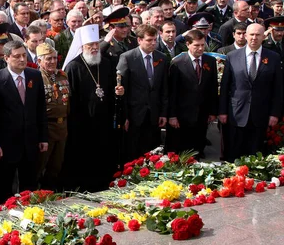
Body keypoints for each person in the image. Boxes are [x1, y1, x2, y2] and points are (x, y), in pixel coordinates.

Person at [61, 25, 123, 191]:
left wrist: (118, 91)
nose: (95, 48)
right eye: (91, 46)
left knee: (104, 154)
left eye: (96, 44)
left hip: (104, 121)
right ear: (82, 46)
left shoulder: (107, 63)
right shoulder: (73, 67)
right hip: (83, 123)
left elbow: (110, 89)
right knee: (85, 156)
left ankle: (104, 183)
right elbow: (70, 98)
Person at [0, 41, 48, 206]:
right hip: (6, 145)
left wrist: (43, 137)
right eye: (17, 56)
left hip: (30, 142)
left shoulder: (34, 75)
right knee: (4, 186)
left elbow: (40, 108)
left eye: (24, 55)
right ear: (6, 58)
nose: (22, 59)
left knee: (29, 187)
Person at [219, 23, 283, 161]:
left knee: (255, 155)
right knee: (233, 155)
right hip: (236, 114)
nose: (254, 38)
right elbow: (225, 86)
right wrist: (223, 111)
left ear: (263, 37)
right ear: (246, 36)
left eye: (258, 35)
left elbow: (278, 88)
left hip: (260, 114)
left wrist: (274, 113)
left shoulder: (273, 57)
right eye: (251, 34)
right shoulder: (232, 56)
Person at [116, 25, 169, 163]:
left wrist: (163, 113)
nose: (153, 43)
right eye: (149, 40)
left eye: (155, 40)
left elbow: (164, 88)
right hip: (135, 114)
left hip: (154, 113)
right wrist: (125, 116)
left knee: (152, 150)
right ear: (139, 40)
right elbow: (123, 89)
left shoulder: (161, 58)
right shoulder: (127, 58)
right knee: (133, 151)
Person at [167, 30, 218, 157]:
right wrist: (172, 115)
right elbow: (172, 92)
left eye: (202, 45)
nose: (200, 48)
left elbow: (212, 87)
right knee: (183, 150)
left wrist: (212, 111)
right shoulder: (177, 63)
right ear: (188, 44)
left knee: (198, 148)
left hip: (202, 113)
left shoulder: (210, 61)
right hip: (182, 115)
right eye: (196, 45)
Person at [35, 43, 69, 190]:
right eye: (48, 59)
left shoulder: (62, 75)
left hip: (62, 127)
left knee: (56, 165)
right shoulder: (36, 77)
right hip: (46, 127)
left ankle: (51, 193)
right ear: (39, 61)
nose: (52, 61)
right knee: (39, 166)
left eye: (55, 58)